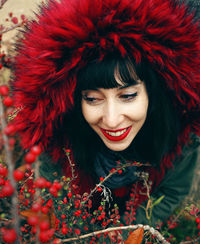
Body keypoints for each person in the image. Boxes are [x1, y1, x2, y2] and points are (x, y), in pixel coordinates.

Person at [12, 0, 200, 226]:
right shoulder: (58, 137)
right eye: (92, 99)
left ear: (154, 93)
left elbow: (171, 194)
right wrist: (83, 242)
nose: (111, 120)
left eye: (128, 96)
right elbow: (55, 200)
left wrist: (123, 240)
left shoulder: (179, 137)